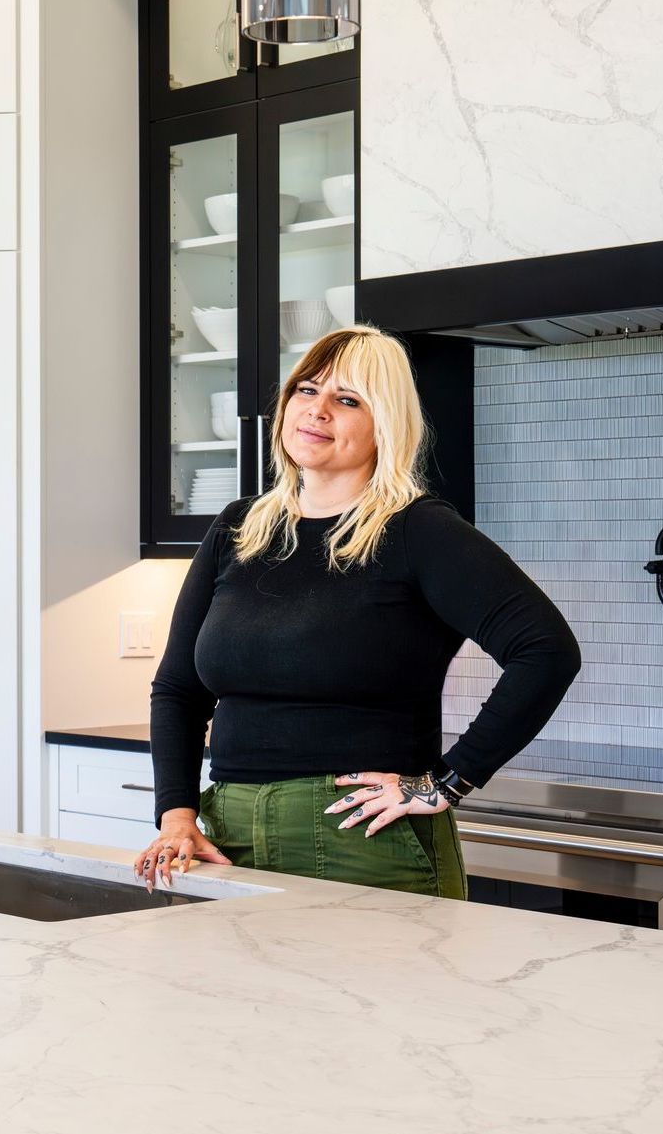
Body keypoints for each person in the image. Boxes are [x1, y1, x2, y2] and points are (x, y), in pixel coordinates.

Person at [137, 326, 581, 899]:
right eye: (307, 389)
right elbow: (178, 688)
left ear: (385, 424)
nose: (317, 411)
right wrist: (176, 815)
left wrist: (442, 784)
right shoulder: (238, 529)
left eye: (348, 400)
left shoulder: (417, 530)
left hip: (363, 842)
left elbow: (546, 652)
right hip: (229, 834)